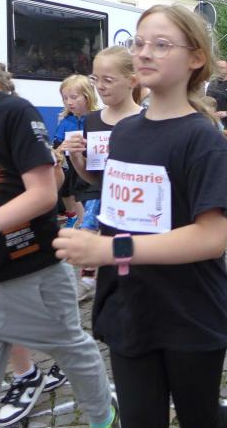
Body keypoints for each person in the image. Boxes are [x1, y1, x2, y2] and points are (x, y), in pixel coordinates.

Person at [53, 4, 227, 428]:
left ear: (195, 58)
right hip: (129, 305)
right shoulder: (125, 132)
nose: (144, 53)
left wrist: (111, 249)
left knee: (202, 420)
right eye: (139, 43)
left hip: (188, 310)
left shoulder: (202, 139)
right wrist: (98, 249)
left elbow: (210, 237)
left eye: (161, 45)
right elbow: (120, 212)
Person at [0, 4, 118, 428]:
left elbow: (44, 194)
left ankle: (103, 417)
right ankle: (24, 380)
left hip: (32, 274)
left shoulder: (12, 113)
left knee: (73, 351)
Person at [0, 56, 70, 426]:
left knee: (43, 312)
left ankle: (64, 363)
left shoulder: (18, 117)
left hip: (28, 238)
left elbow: (53, 185)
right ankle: (25, 373)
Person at [62, 47, 142, 304]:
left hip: (137, 216)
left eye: (108, 80)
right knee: (114, 286)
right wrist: (76, 158)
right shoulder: (93, 120)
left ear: (132, 81)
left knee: (133, 279)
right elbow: (95, 178)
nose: (100, 87)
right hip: (108, 213)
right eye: (96, 79)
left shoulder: (145, 119)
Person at [54, 75, 99, 229]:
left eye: (73, 97)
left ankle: (85, 224)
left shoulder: (97, 119)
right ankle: (78, 221)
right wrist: (60, 149)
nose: (69, 102)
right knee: (73, 193)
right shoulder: (65, 121)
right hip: (73, 169)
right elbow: (57, 148)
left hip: (92, 169)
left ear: (87, 96)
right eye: (65, 98)